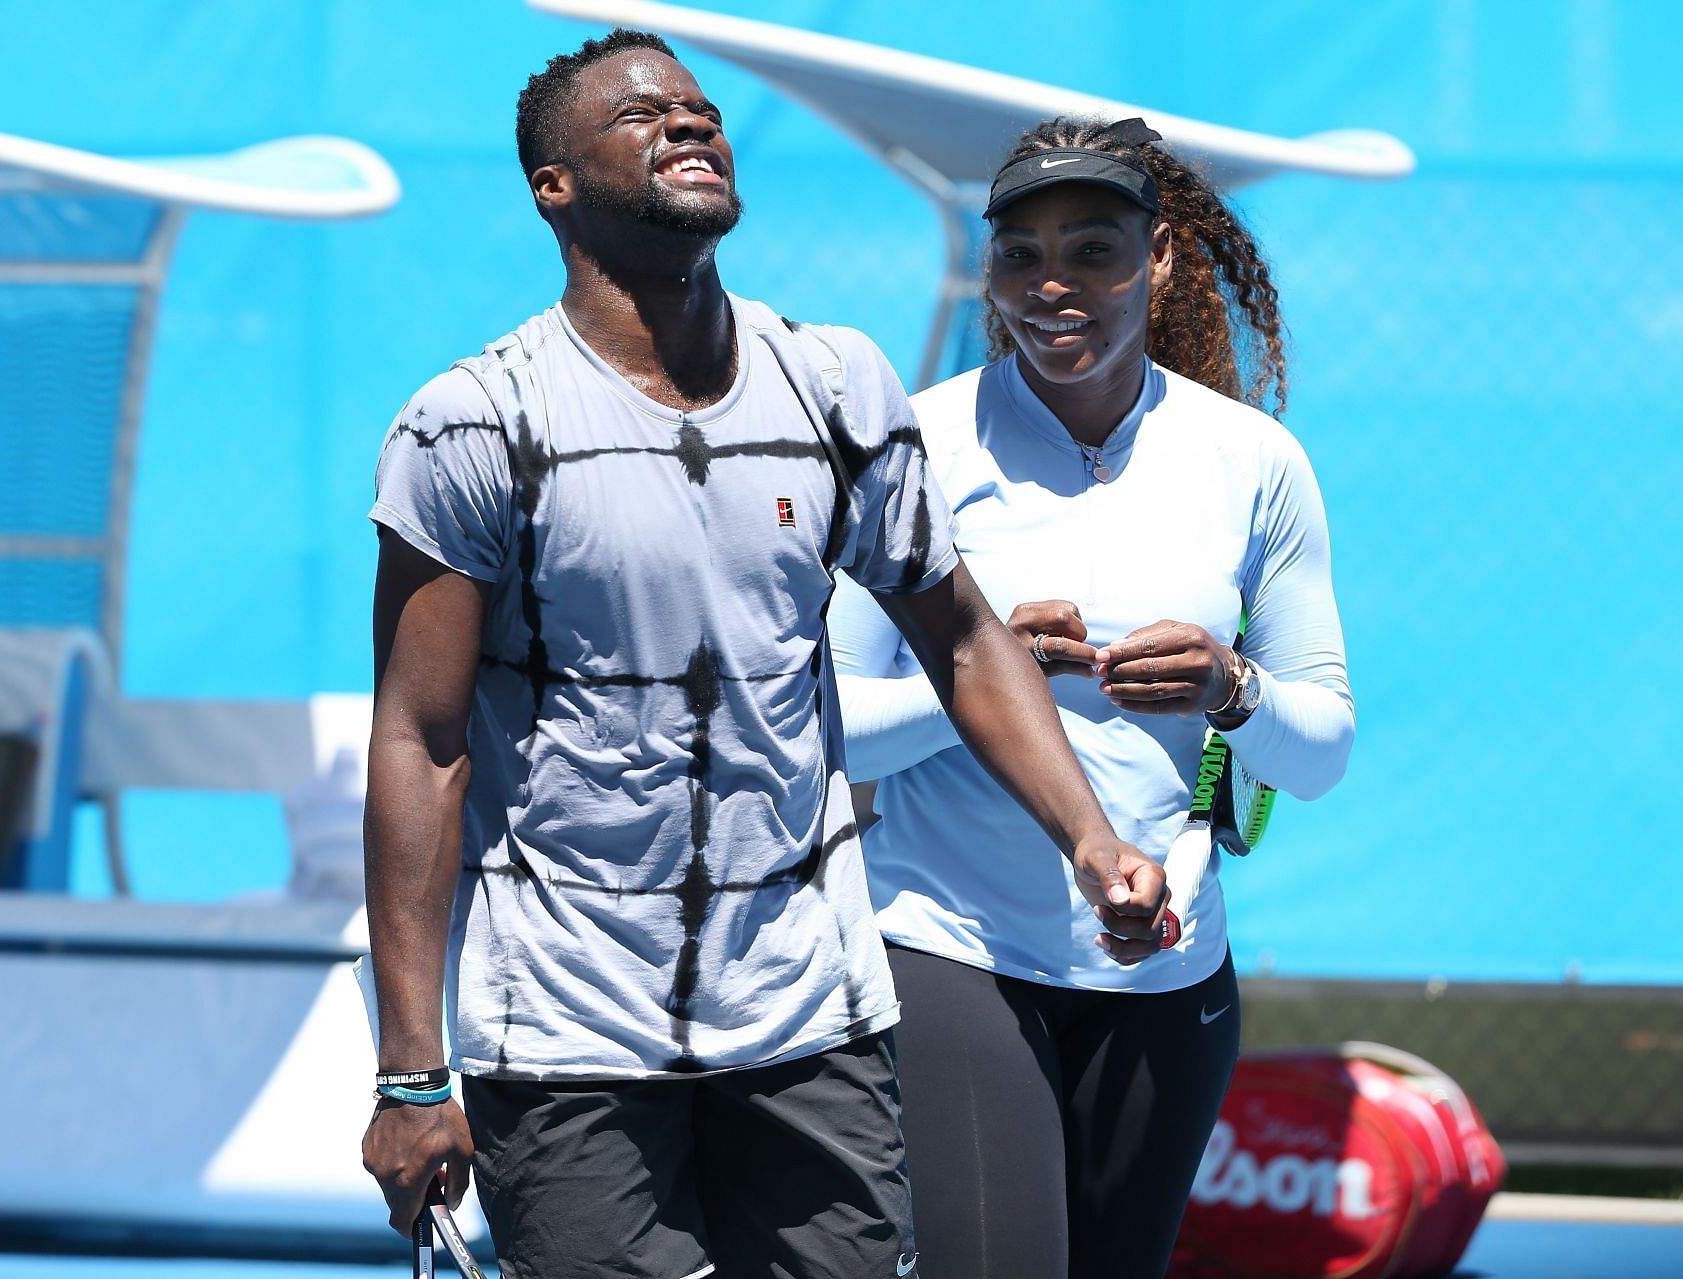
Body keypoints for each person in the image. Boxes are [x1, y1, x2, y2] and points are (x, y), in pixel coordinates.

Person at [358, 34, 1169, 1279]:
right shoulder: (471, 422)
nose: (689, 128)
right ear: (553, 186)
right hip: (568, 1031)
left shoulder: (836, 381)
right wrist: (412, 1068)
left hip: (810, 1017)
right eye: (643, 117)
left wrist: (1092, 837)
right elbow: (421, 743)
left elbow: (960, 636)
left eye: (701, 110)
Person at [828, 116, 1355, 1278]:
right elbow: (831, 729)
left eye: (1095, 252)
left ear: (1160, 258)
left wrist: (1234, 687)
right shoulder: (916, 445)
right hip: (947, 947)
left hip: (1166, 971)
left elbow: (1318, 754)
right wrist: (978, 676)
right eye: (1020, 254)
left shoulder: (1253, 460)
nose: (1052, 286)